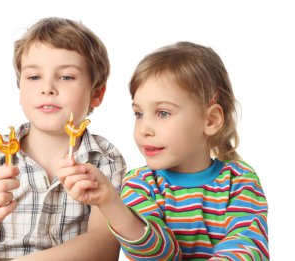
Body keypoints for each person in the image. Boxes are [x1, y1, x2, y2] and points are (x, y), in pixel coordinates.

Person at [56, 41, 269, 260]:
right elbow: (160, 255)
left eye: (163, 113)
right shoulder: (140, 184)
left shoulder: (241, 181)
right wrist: (110, 203)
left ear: (211, 119)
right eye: (139, 114)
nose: (145, 129)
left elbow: (246, 249)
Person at [0, 17, 126, 261]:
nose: (48, 88)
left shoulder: (105, 159)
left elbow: (103, 249)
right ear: (20, 89)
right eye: (34, 77)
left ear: (96, 94)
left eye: (66, 77)